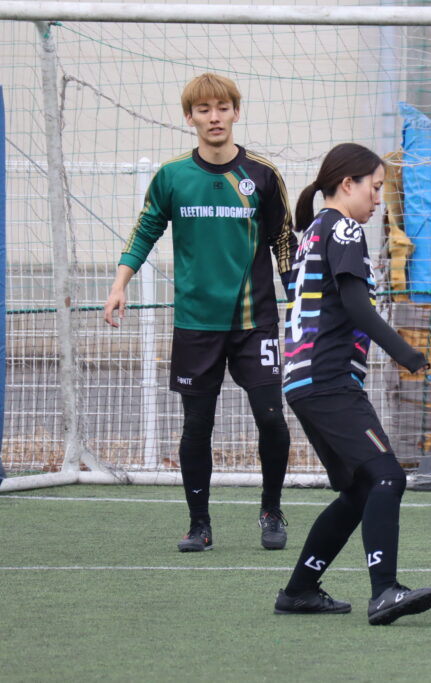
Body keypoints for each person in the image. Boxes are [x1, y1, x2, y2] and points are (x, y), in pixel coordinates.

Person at [103, 73, 294, 553]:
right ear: (190, 117)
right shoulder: (173, 177)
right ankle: (199, 524)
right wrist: (120, 284)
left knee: (272, 418)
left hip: (255, 322)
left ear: (236, 112)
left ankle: (271, 510)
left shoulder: (263, 175)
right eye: (204, 109)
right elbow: (145, 230)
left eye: (222, 108)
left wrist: (298, 300)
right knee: (196, 426)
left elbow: (283, 241)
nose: (214, 117)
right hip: (195, 324)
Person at [272, 143, 431, 624]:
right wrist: (406, 353)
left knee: (359, 490)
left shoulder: (312, 232)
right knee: (387, 476)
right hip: (328, 380)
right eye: (375, 187)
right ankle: (384, 591)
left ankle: (299, 590)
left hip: (304, 381)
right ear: (348, 184)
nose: (378, 199)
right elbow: (354, 306)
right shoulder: (344, 228)